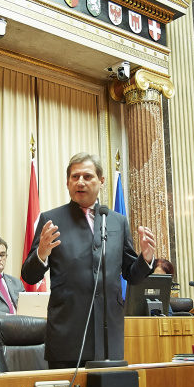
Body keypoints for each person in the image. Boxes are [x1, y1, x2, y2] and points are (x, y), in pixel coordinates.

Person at [21, 152, 156, 369]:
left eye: (87, 176)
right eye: (75, 177)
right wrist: (42, 253)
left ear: (101, 181)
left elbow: (132, 274)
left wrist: (146, 257)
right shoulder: (52, 219)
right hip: (67, 333)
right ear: (67, 183)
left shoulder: (117, 221)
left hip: (108, 333)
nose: (80, 182)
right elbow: (29, 275)